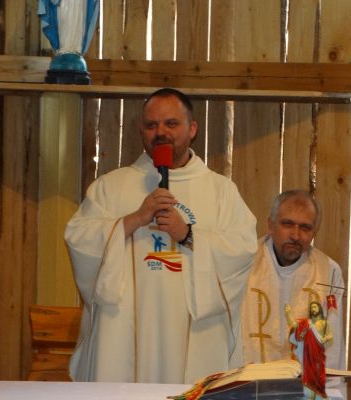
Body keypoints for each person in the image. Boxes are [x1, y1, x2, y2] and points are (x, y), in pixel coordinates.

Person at [65, 88, 258, 384]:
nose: (161, 133)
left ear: (192, 129)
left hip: (193, 332)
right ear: (141, 131)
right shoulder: (111, 187)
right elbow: (79, 238)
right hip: (124, 330)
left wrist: (188, 234)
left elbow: (242, 250)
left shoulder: (221, 192)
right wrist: (134, 220)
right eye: (151, 125)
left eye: (171, 123)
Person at [241, 190, 345, 371]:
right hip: (249, 381)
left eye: (305, 228)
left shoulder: (328, 272)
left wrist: (328, 385)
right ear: (270, 225)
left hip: (302, 385)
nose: (296, 235)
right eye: (287, 224)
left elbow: (332, 345)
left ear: (314, 232)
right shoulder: (244, 263)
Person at [285, 300, 332, 399]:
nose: (313, 309)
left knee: (319, 375)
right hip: (307, 354)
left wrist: (325, 338)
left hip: (318, 354)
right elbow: (294, 324)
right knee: (307, 374)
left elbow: (330, 336)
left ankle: (319, 395)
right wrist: (288, 313)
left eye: (315, 307)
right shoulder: (306, 323)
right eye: (311, 308)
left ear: (319, 309)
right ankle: (309, 395)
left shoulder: (325, 323)